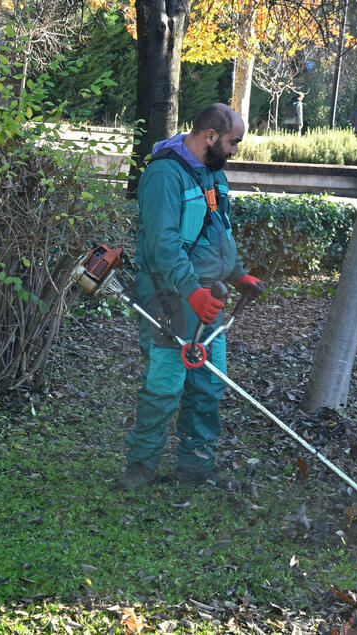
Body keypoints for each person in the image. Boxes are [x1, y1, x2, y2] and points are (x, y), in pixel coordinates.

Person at [118, 103, 265, 491]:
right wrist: (191, 292)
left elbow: (217, 231)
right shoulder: (164, 174)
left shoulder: (212, 174)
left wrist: (237, 274)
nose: (236, 150)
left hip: (207, 299)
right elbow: (163, 246)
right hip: (168, 298)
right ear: (210, 136)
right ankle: (141, 467)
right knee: (164, 385)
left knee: (209, 384)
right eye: (233, 142)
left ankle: (196, 465)